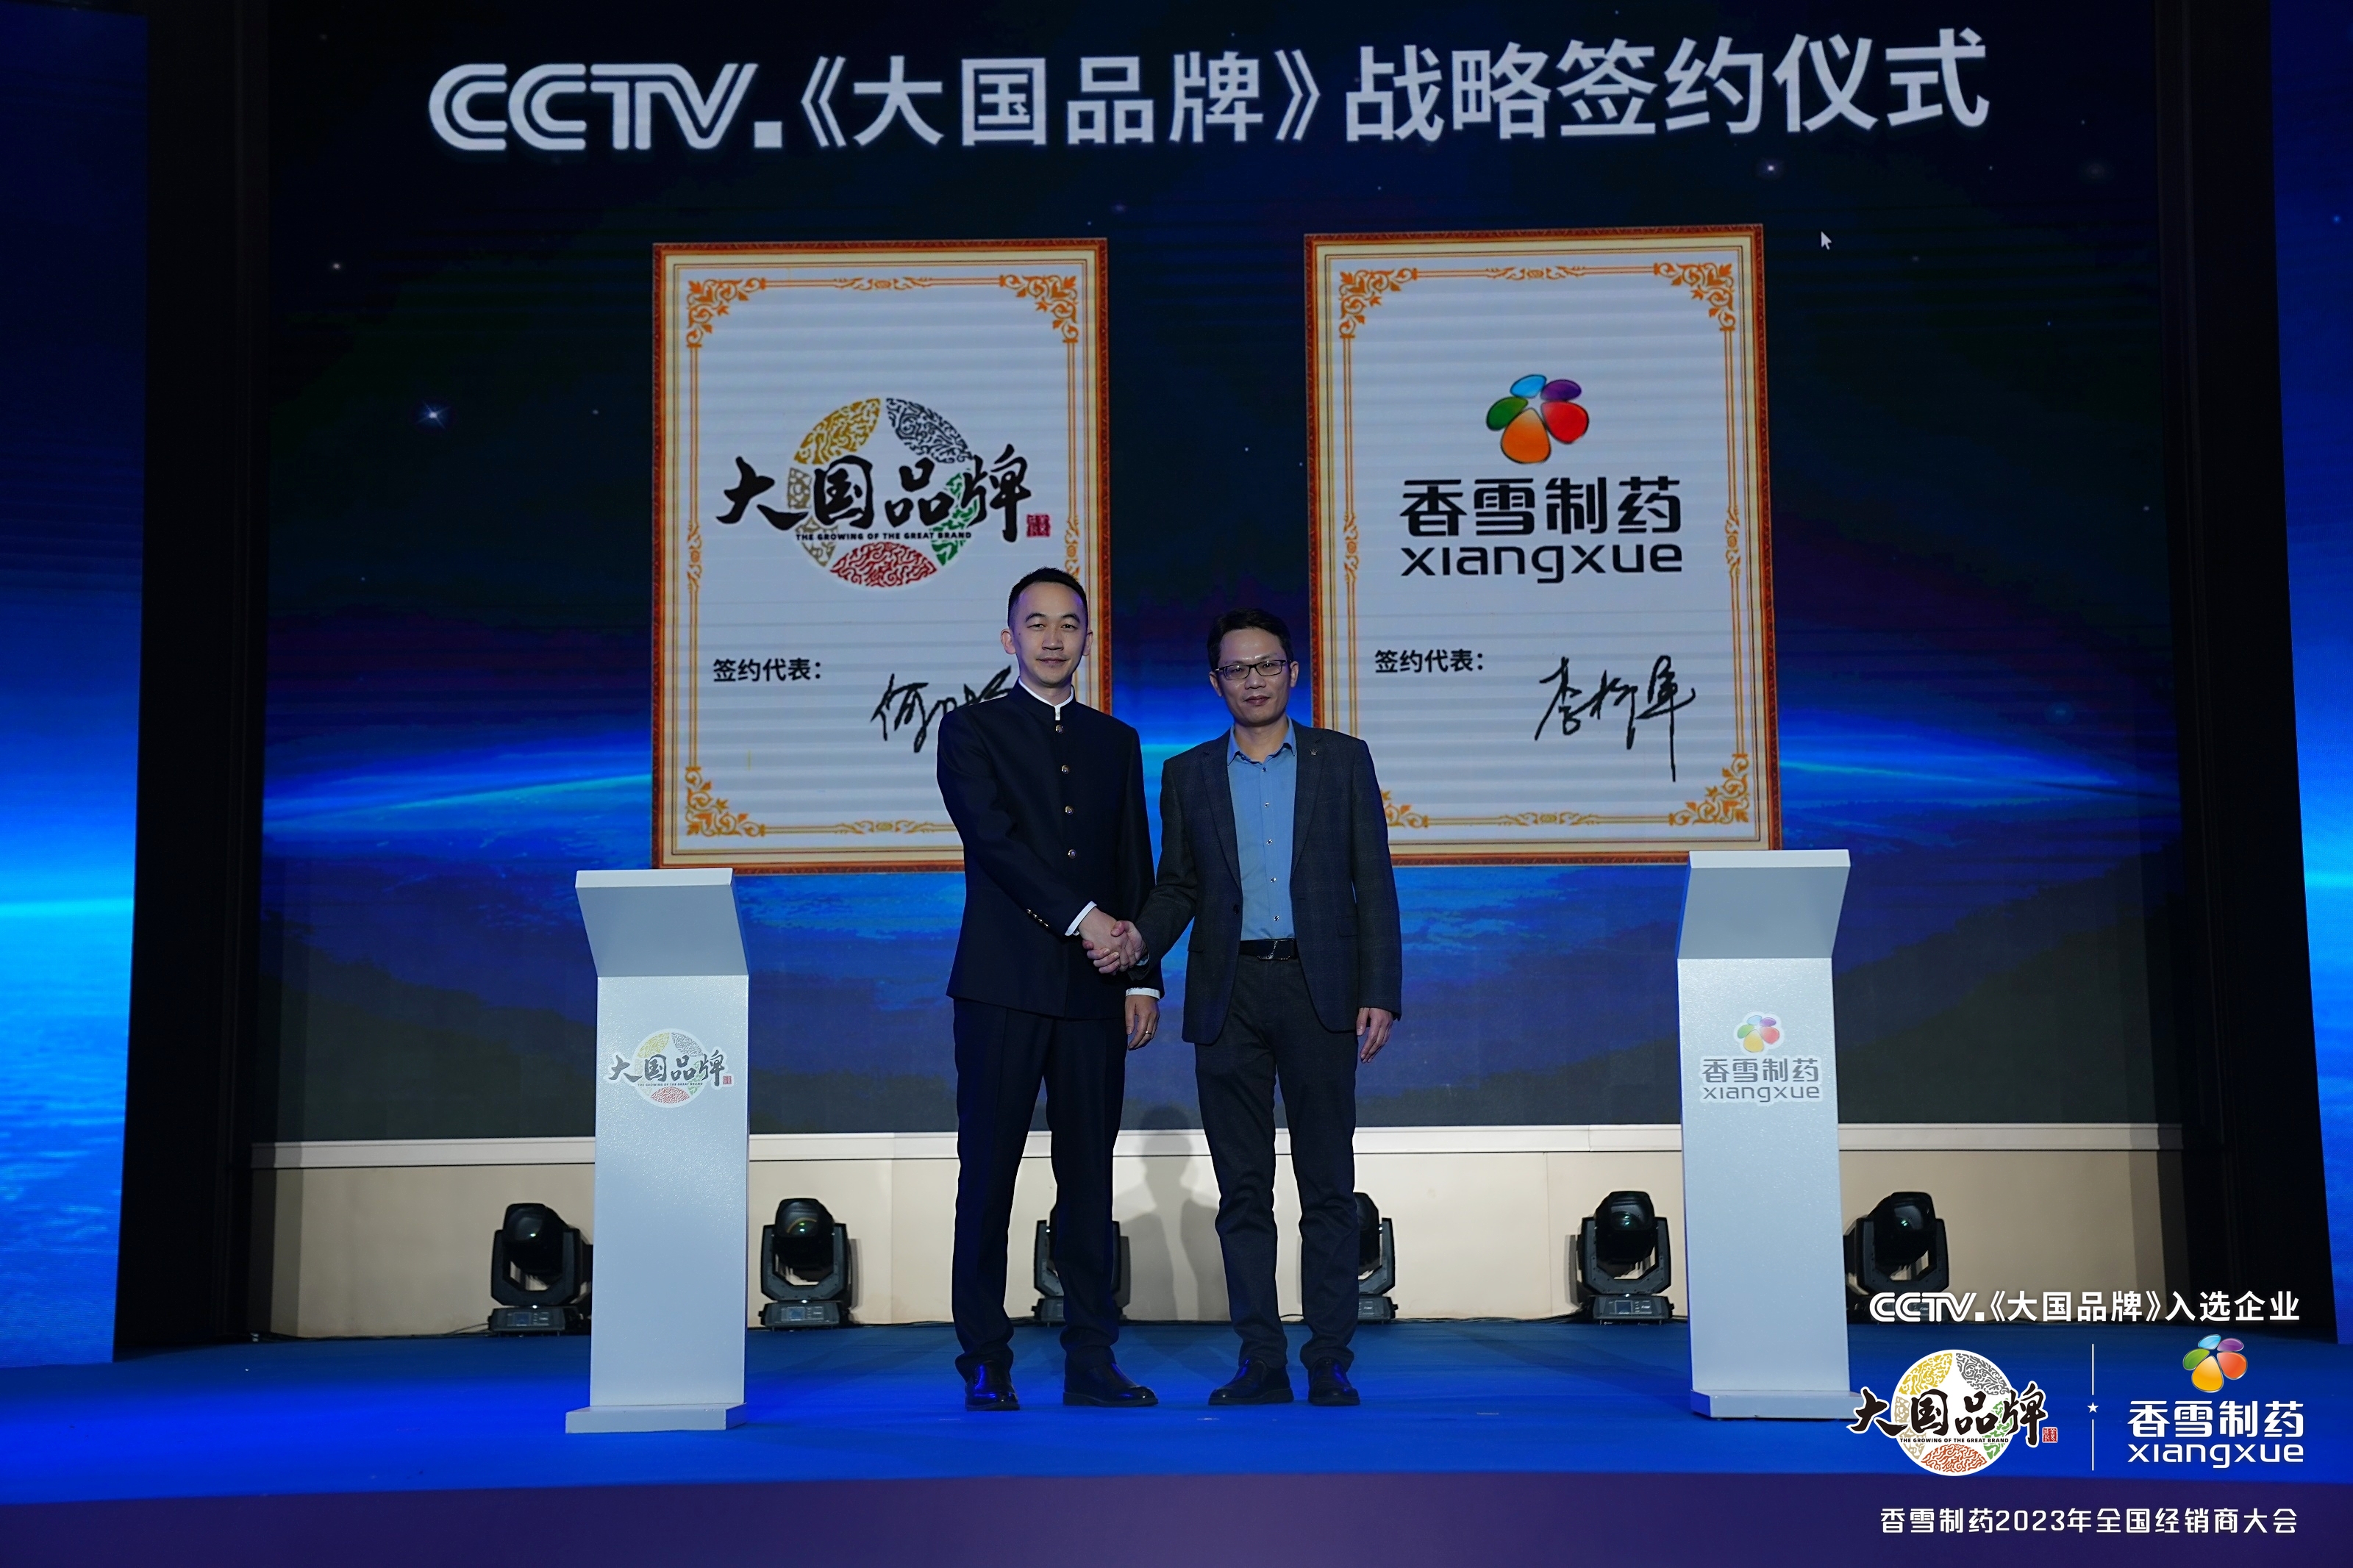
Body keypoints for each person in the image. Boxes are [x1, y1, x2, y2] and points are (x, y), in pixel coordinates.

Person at [1102, 606, 1402, 1407]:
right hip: (1228, 993)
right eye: (1237, 669)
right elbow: (1178, 886)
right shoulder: (1189, 774)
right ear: (1216, 683)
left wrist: (1380, 990)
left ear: (1292, 673)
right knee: (1243, 1191)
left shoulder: (1342, 760)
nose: (1254, 680)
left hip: (1319, 990)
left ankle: (1329, 1358)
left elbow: (1371, 880)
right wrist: (1138, 946)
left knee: (1327, 1187)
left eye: (1267, 665)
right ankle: (1260, 1359)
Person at [934, 568, 1164, 1411]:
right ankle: (983, 1358)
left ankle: (1091, 1358)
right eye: (1035, 624)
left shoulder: (1115, 740)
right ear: (1009, 639)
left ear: (1087, 639)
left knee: (1087, 1180)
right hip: (1000, 987)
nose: (1052, 638)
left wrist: (1141, 974)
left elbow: (1133, 857)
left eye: (1068, 624)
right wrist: (1086, 918)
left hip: (1095, 989)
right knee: (987, 1175)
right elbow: (993, 844)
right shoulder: (970, 730)